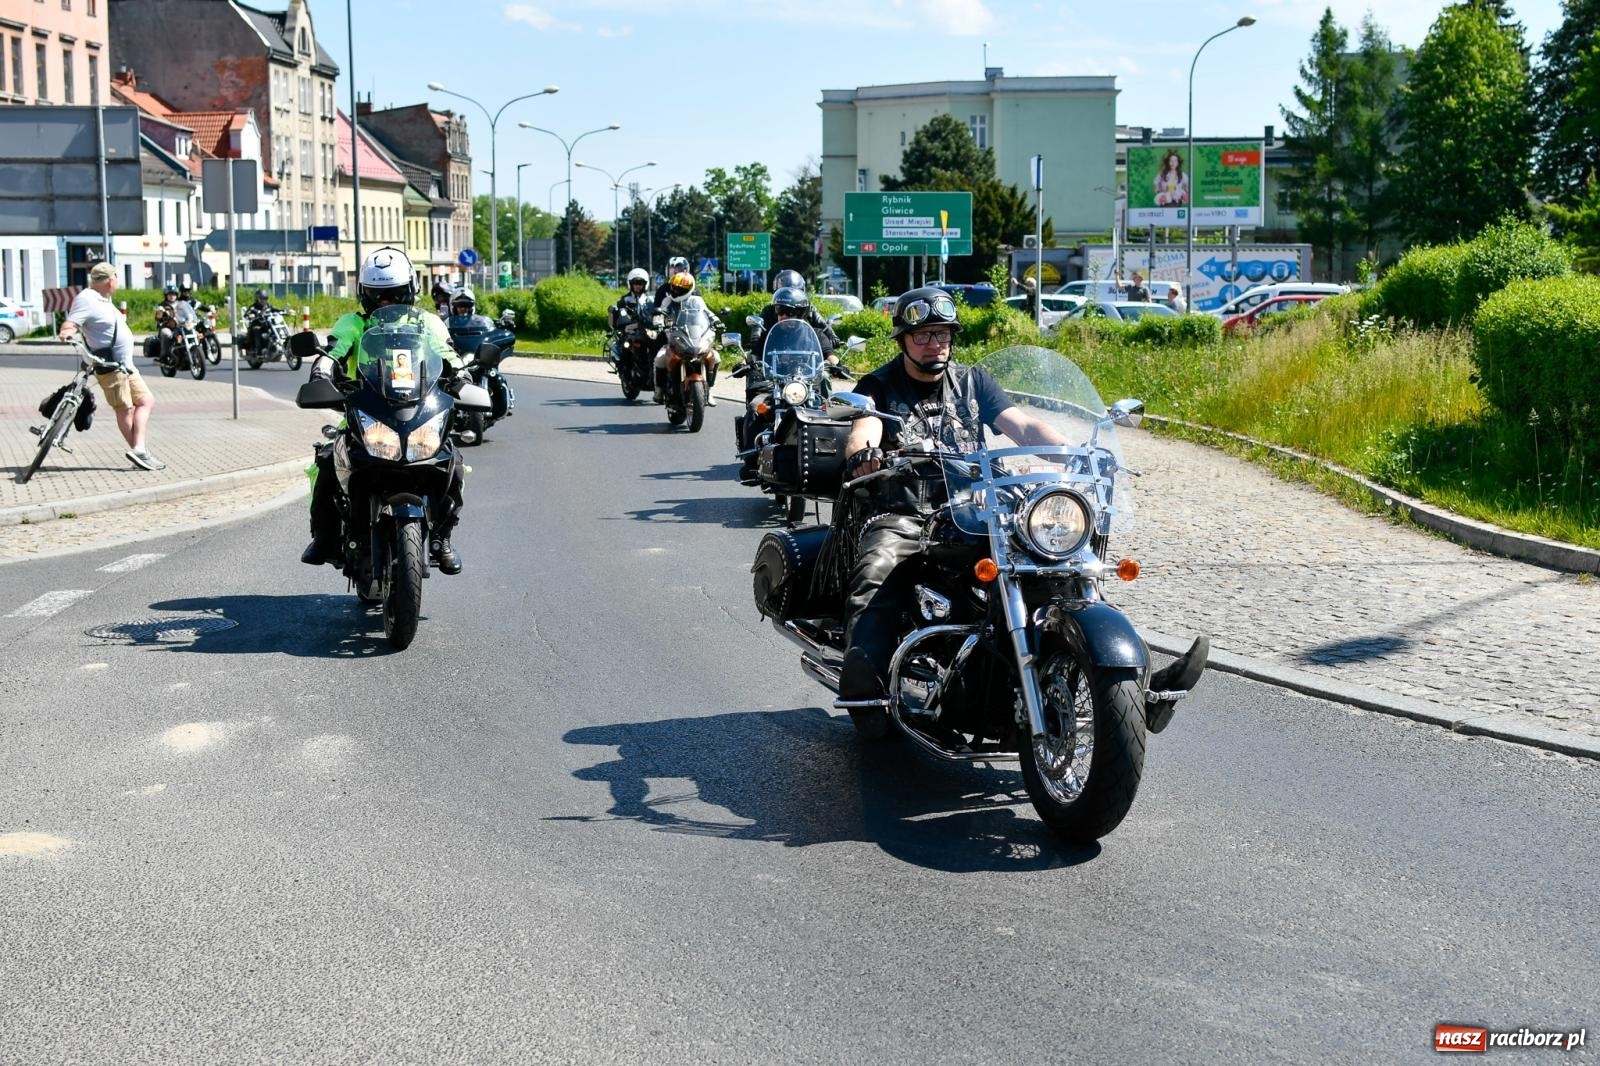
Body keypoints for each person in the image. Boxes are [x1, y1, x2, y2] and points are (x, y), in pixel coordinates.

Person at [836, 286, 1069, 730]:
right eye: (923, 335)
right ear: (903, 340)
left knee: (1054, 555)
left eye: (942, 334)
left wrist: (1068, 451)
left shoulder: (974, 381)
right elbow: (864, 428)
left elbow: (1020, 424)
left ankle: (1119, 675)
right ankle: (865, 693)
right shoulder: (878, 386)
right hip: (906, 511)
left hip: (973, 507)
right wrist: (863, 453)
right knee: (877, 571)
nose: (934, 344)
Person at [302, 246, 469, 574]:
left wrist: (463, 376)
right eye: (378, 296)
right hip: (366, 408)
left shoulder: (428, 323)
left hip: (418, 408)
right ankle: (324, 537)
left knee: (454, 463)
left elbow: (446, 354)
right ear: (365, 295)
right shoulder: (353, 322)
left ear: (409, 292)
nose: (386, 303)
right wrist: (322, 372)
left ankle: (442, 537)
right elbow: (334, 350)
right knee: (326, 463)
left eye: (393, 294)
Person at [57, 261, 165, 470]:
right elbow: (71, 323)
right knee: (124, 409)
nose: (117, 282)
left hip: (125, 365)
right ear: (109, 280)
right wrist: (67, 331)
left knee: (146, 401)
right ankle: (140, 452)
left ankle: (139, 449)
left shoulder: (104, 300)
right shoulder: (87, 299)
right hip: (109, 365)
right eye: (116, 278)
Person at [652, 270, 724, 406]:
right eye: (674, 287)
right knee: (660, 358)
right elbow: (659, 314)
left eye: (680, 289)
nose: (676, 291)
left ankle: (711, 390)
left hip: (696, 336)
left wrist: (717, 321)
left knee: (715, 356)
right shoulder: (667, 301)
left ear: (689, 289)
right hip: (675, 338)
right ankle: (659, 391)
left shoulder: (696, 301)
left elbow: (708, 313)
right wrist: (658, 324)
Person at [752, 283, 840, 367]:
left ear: (801, 314)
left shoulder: (816, 335)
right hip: (775, 380)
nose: (784, 316)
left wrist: (837, 365)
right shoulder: (769, 336)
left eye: (790, 313)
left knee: (824, 376)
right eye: (780, 311)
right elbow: (755, 354)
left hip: (809, 380)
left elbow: (829, 355)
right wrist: (744, 364)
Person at [153, 285, 197, 361]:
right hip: (168, 327)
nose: (172, 296)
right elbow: (158, 317)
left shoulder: (182, 304)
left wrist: (191, 319)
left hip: (182, 326)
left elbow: (188, 312)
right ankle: (164, 355)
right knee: (167, 334)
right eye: (170, 294)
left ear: (176, 295)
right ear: (166, 295)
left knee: (197, 334)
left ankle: (196, 352)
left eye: (173, 294)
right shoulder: (162, 305)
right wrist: (162, 314)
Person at [243, 288, 282, 357]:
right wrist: (250, 315)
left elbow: (275, 309)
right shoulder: (253, 307)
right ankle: (259, 351)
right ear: (257, 298)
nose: (264, 300)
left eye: (265, 298)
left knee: (276, 329)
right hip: (257, 325)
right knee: (256, 330)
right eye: (261, 298)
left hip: (266, 324)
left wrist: (284, 311)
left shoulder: (268, 306)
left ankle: (275, 346)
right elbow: (246, 314)